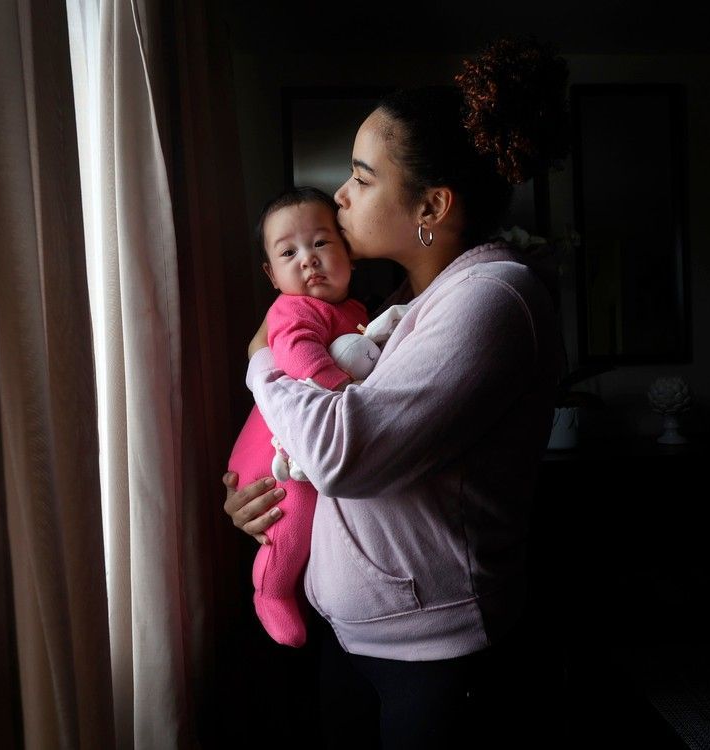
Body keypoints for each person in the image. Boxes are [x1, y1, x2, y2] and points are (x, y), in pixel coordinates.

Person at [223, 37, 570, 747]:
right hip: (356, 640)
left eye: (361, 176)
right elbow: (320, 449)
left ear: (432, 206)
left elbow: (345, 455)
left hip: (437, 658)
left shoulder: (491, 300)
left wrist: (261, 363)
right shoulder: (405, 300)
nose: (340, 196)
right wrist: (260, 495)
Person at [227, 185, 368, 648]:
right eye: (289, 252)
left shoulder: (354, 312)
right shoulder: (292, 308)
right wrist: (341, 387)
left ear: (348, 248)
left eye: (321, 243)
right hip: (273, 456)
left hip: (296, 443)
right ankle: (271, 590)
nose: (308, 258)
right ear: (271, 274)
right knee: (292, 517)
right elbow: (294, 351)